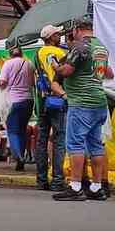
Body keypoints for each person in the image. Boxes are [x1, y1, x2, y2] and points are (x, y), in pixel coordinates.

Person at [52, 17, 113, 202]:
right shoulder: (101, 47)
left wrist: (56, 66)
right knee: (96, 145)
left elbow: (67, 71)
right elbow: (106, 74)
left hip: (81, 102)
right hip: (99, 102)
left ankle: (76, 186)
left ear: (77, 30)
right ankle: (96, 187)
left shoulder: (80, 47)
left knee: (75, 144)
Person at [34, 25, 68, 191]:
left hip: (42, 100)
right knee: (59, 140)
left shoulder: (37, 53)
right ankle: (57, 180)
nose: (60, 36)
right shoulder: (61, 54)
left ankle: (41, 180)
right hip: (58, 99)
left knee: (41, 140)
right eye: (57, 34)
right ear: (51, 37)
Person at [0, 44, 35, 171]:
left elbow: (2, 82)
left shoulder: (8, 64)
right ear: (21, 53)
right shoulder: (29, 64)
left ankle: (19, 157)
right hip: (29, 101)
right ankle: (22, 156)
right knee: (23, 129)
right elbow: (32, 83)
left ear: (10, 54)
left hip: (13, 101)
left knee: (12, 130)